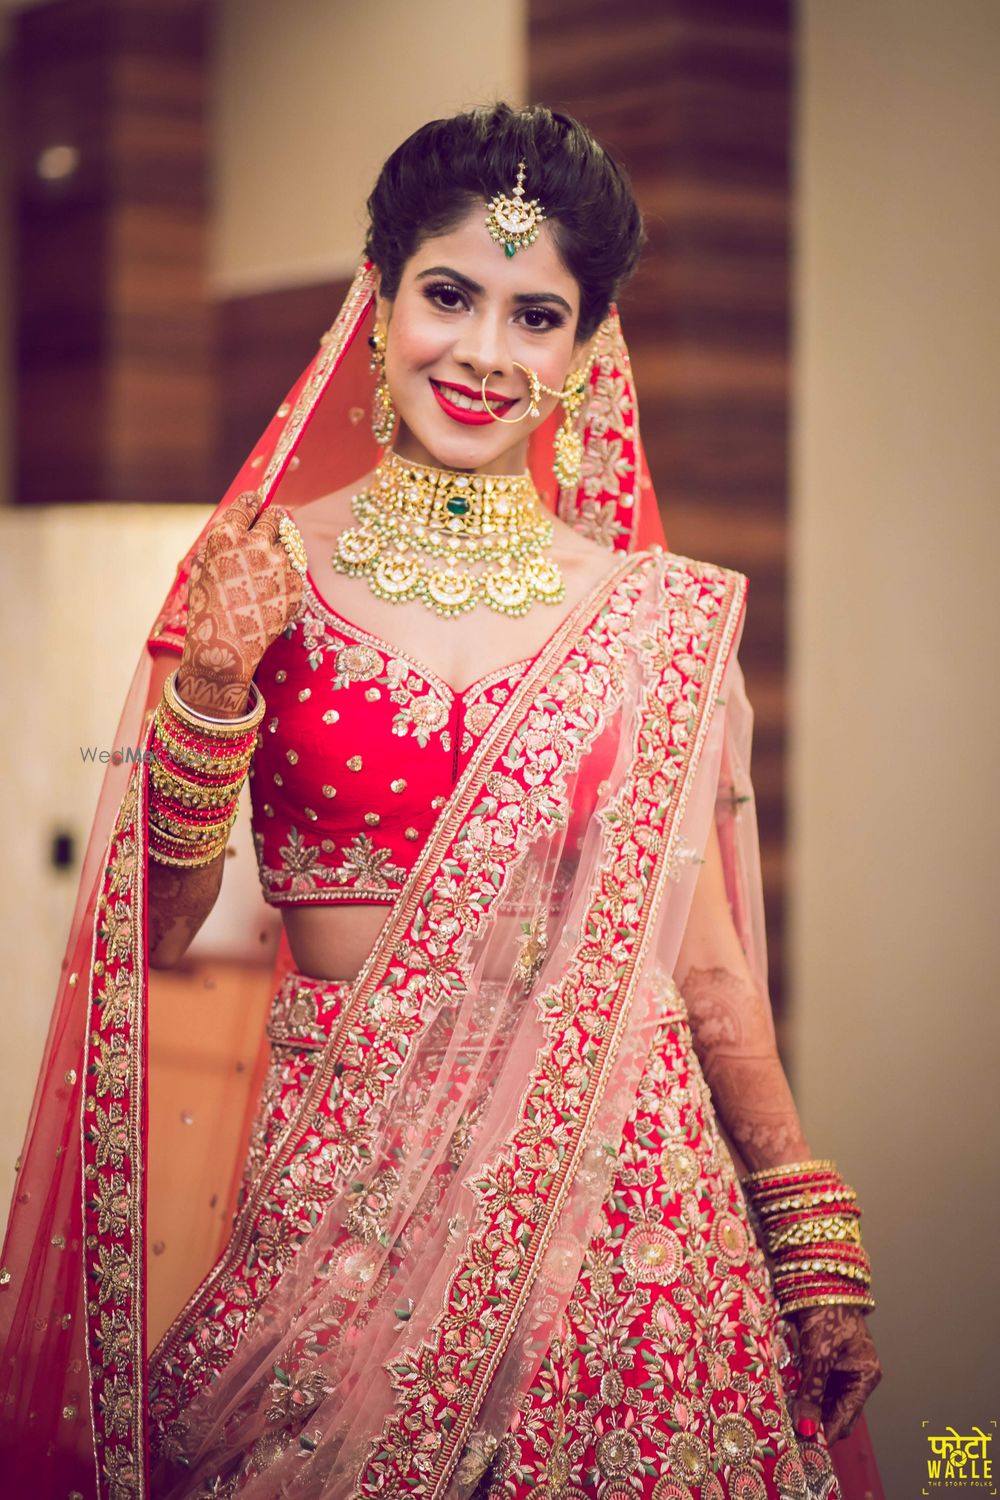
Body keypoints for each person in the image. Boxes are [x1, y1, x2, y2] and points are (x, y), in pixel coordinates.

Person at [0, 104, 882, 1499]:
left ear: (585, 351)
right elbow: (157, 931)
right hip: (349, 1200)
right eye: (449, 296)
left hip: (629, 1203)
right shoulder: (263, 570)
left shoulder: (649, 614)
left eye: (536, 315)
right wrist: (217, 682)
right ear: (380, 299)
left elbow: (704, 964)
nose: (481, 353)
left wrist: (801, 1219)